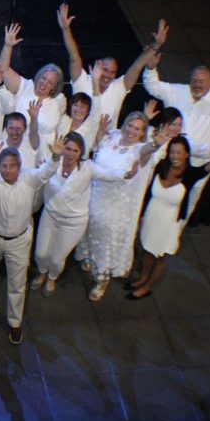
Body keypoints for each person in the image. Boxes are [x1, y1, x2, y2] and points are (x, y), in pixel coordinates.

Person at [128, 136, 210, 299]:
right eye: (172, 152)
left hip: (170, 222)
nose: (175, 156)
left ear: (186, 155)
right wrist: (141, 216)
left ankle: (147, 287)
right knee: (147, 250)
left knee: (160, 256)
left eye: (179, 152)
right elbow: (147, 194)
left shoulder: (189, 174)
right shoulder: (161, 166)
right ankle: (143, 277)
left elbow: (206, 168)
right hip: (152, 216)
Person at [142, 48, 210, 217]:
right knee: (158, 200)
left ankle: (174, 235)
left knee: (185, 207)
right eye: (194, 80)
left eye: (202, 81)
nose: (197, 84)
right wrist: (150, 68)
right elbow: (153, 86)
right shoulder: (178, 92)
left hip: (200, 164)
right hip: (171, 162)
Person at [30, 132, 137, 298]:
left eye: (75, 150)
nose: (70, 153)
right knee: (40, 253)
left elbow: (107, 174)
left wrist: (126, 174)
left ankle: (52, 277)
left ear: (81, 153)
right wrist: (52, 160)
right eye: (67, 148)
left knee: (57, 258)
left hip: (73, 222)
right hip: (50, 216)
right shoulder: (53, 164)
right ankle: (42, 272)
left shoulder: (87, 167)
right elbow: (39, 176)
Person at [0, 133, 57, 345]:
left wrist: (55, 158)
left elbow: (45, 173)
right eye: (4, 166)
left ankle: (14, 322)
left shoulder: (29, 178)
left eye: (12, 166)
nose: (8, 170)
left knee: (17, 283)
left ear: (19, 167)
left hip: (19, 241)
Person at [77, 111, 165, 300]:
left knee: (106, 240)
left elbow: (149, 150)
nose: (132, 131)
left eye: (138, 129)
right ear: (124, 125)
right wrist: (101, 130)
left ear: (142, 133)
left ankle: (102, 280)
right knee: (91, 229)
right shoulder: (114, 136)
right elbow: (100, 146)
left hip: (116, 206)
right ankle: (89, 258)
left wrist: (156, 144)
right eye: (130, 126)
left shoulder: (140, 150)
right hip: (96, 196)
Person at [57, 5, 164, 127]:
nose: (108, 75)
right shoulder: (82, 81)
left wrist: (156, 45)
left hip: (105, 144)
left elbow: (137, 66)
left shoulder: (119, 87)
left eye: (112, 72)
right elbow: (74, 56)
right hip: (76, 141)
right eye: (105, 70)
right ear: (98, 65)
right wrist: (66, 29)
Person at [0, 22, 66, 161]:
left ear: (54, 86)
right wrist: (8, 46)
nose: (44, 83)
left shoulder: (59, 100)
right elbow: (3, 69)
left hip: (43, 157)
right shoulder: (25, 86)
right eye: (43, 78)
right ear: (38, 76)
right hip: (14, 151)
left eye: (50, 82)